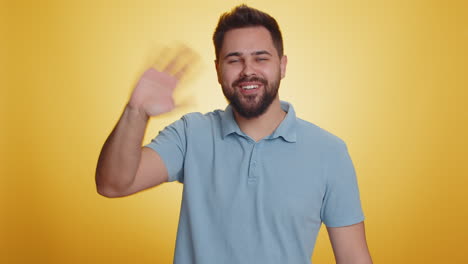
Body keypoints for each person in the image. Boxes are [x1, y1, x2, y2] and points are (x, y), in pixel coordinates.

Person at [96, 5, 373, 264]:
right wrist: (136, 112)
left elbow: (353, 258)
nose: (248, 70)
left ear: (282, 65)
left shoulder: (329, 152)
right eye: (234, 60)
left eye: (260, 58)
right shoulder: (191, 134)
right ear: (218, 70)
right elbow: (113, 185)